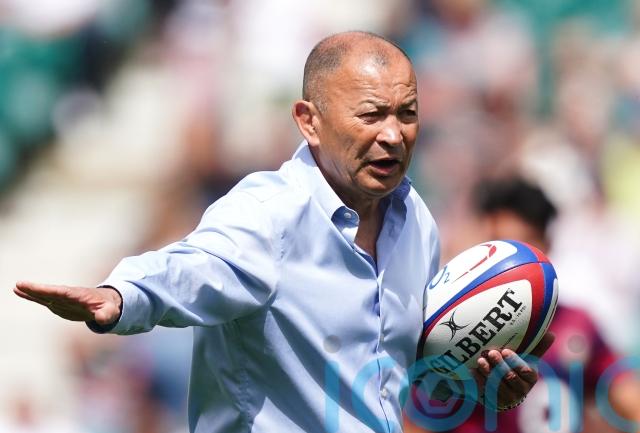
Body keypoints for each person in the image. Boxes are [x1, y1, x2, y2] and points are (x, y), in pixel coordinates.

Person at [13, 32, 551, 433]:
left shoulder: (417, 222)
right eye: (371, 114)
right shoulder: (268, 214)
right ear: (308, 120)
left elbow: (395, 378)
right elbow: (193, 266)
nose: (393, 134)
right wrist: (121, 295)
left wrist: (475, 384)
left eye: (407, 113)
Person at [405, 176, 640, 433]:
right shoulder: (451, 336)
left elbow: (629, 400)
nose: (509, 266)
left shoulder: (577, 323)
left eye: (523, 244)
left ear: (546, 243)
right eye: (500, 242)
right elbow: (415, 424)